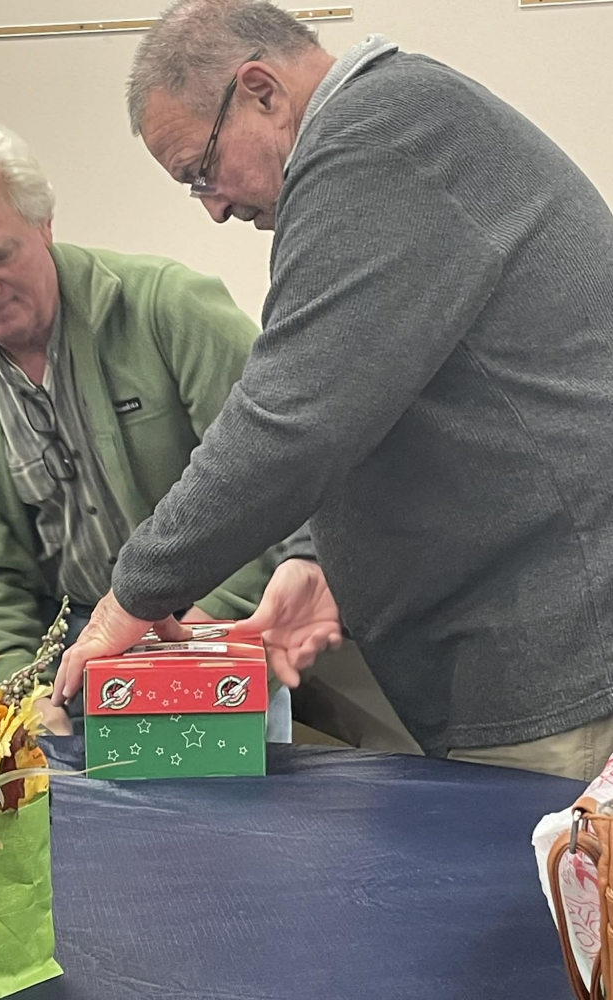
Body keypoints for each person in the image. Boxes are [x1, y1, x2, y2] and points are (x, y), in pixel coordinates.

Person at [53, 0, 613, 780]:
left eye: (199, 171)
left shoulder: (374, 141)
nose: (213, 207)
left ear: (261, 91)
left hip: (555, 664)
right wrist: (320, 560)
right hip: (528, 651)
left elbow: (290, 420)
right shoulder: (398, 127)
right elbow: (371, 392)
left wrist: (132, 596)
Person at [0, 115, 291, 739]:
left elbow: (279, 478)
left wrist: (198, 639)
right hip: (68, 656)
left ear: (43, 223)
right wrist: (23, 694)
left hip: (213, 625)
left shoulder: (170, 309)